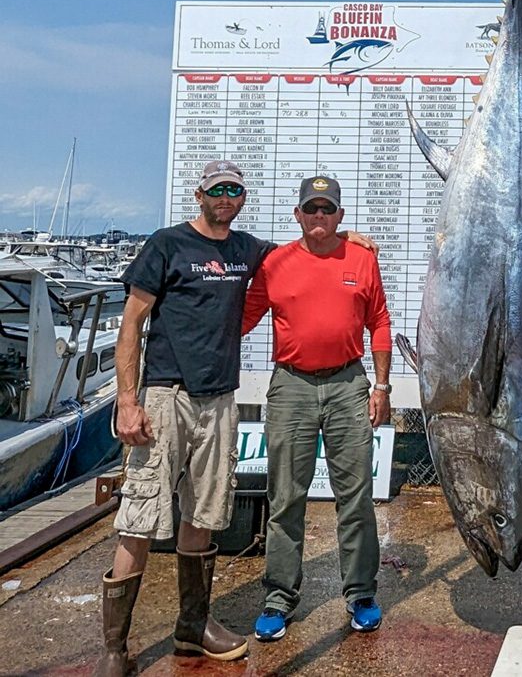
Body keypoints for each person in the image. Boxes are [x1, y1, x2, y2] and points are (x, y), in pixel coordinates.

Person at [94, 160, 270, 675]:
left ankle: (193, 628)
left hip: (219, 402)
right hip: (165, 397)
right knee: (140, 516)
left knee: (205, 513)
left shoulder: (245, 250)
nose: (225, 197)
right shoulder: (167, 244)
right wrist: (128, 401)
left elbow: (304, 252)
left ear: (242, 198)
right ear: (199, 194)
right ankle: (114, 647)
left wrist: (348, 235)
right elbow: (131, 325)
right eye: (217, 189)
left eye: (234, 190)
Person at [243, 175, 392, 642]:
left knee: (357, 497)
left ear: (340, 216)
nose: (320, 216)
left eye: (328, 209)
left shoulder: (363, 258)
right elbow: (240, 319)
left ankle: (361, 593)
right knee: (285, 497)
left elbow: (380, 322)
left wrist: (382, 387)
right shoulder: (275, 262)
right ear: (298, 215)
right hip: (291, 386)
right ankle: (279, 598)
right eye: (312, 209)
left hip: (349, 383)